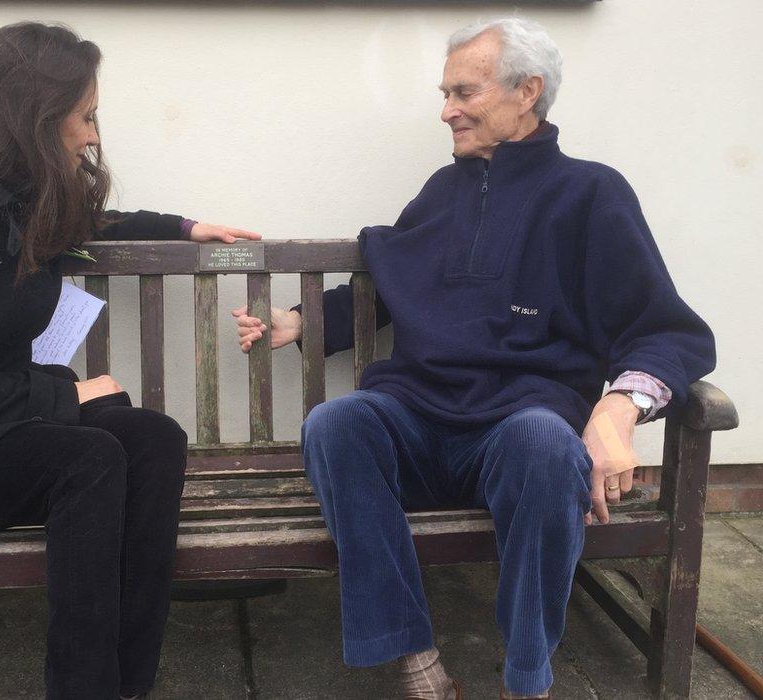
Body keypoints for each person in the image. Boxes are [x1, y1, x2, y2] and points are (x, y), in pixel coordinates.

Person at [232, 17, 714, 700]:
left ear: (527, 92)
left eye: (465, 92)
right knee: (337, 425)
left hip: (520, 433)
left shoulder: (591, 194)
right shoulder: (441, 191)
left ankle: (527, 680)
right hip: (419, 421)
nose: (446, 110)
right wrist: (302, 322)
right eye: (445, 93)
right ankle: (416, 660)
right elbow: (394, 282)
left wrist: (616, 411)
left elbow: (666, 330)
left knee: (546, 444)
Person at [0, 22, 259, 699]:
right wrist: (69, 398)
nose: (93, 134)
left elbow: (94, 222)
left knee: (155, 439)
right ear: (31, 115)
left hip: (1, 426)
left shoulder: (18, 196)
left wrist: (185, 227)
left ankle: (124, 684)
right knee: (88, 457)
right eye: (86, 115)